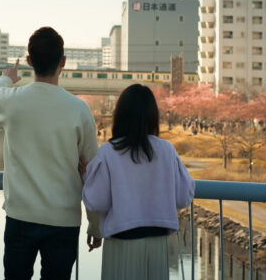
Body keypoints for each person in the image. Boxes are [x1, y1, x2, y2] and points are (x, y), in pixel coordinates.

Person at [0, 26, 101, 280]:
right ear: (63, 62)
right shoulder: (79, 109)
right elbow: (92, 172)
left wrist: (8, 78)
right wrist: (95, 224)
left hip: (20, 216)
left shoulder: (12, 101)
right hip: (64, 220)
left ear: (29, 61)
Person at [81, 84, 195, 280]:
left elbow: (97, 202)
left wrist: (86, 178)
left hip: (122, 240)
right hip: (158, 240)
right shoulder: (166, 150)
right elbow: (183, 196)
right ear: (153, 116)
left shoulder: (109, 152)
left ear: (121, 115)